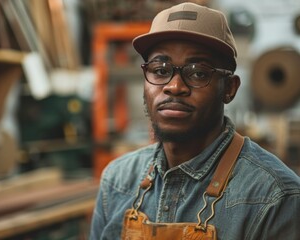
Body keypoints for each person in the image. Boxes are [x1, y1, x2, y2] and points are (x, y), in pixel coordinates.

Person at [90, 2, 300, 240]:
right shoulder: (117, 180)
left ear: (229, 88)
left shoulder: (274, 197)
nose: (174, 86)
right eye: (160, 70)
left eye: (198, 72)